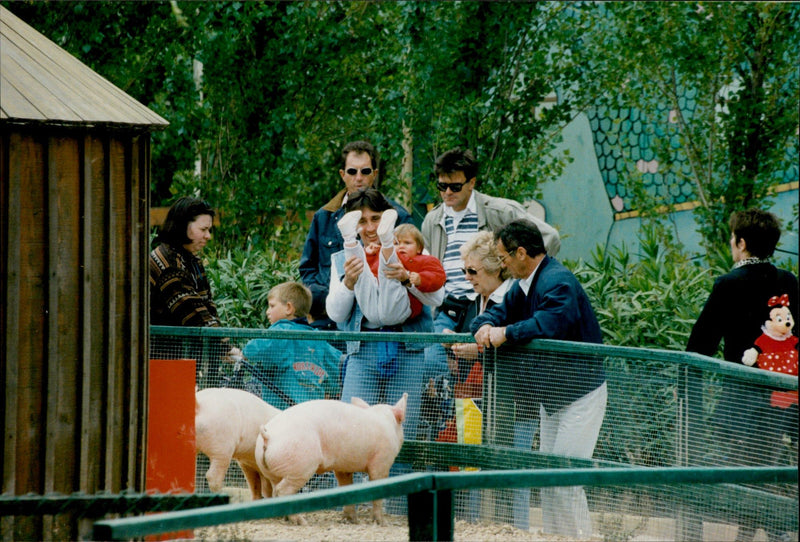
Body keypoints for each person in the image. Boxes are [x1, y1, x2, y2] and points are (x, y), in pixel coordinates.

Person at [471, 219, 607, 537]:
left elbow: (549, 323)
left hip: (580, 395)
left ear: (521, 253)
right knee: (550, 478)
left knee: (565, 480)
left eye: (503, 256)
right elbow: (499, 312)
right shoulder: (525, 284)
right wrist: (483, 325)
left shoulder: (557, 281)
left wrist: (504, 333)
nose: (501, 263)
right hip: (555, 396)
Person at [686, 208, 798, 541]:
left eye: (733, 239)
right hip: (783, 396)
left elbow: (700, 344)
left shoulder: (728, 284)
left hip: (741, 399)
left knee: (745, 471)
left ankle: (766, 532)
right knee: (768, 468)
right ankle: (756, 534)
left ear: (742, 243)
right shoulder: (789, 281)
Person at [325, 189, 432, 503]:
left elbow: (433, 296)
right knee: (350, 433)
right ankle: (348, 510)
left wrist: (409, 277)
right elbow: (335, 313)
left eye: (375, 219)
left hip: (407, 347)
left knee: (401, 433)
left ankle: (396, 514)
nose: (369, 226)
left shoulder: (407, 251)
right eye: (362, 220)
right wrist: (347, 283)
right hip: (364, 349)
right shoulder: (342, 257)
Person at [421, 147, 561, 384]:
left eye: (455, 187)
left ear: (471, 182)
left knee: (486, 376)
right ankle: (448, 418)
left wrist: (517, 281)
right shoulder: (432, 220)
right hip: (449, 307)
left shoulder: (501, 211)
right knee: (432, 367)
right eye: (441, 186)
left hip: (488, 304)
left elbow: (549, 238)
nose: (447, 193)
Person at [300, 140, 413, 329]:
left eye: (365, 171)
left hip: (388, 322)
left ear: (374, 174)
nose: (359, 177)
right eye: (352, 172)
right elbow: (308, 268)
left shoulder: (397, 216)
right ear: (343, 175)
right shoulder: (324, 217)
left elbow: (415, 263)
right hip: (333, 321)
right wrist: (327, 297)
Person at [150, 197, 227, 386]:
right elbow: (190, 311)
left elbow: (207, 306)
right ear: (183, 226)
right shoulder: (168, 261)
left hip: (180, 359)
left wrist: (223, 341)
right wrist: (225, 347)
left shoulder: (191, 260)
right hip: (161, 361)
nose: (208, 236)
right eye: (203, 230)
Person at [235, 281, 343, 410]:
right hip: (312, 413)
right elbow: (336, 371)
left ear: (288, 308)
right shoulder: (318, 338)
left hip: (281, 412)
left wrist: (242, 354)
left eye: (272, 306)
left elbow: (253, 350)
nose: (268, 312)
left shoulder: (281, 331)